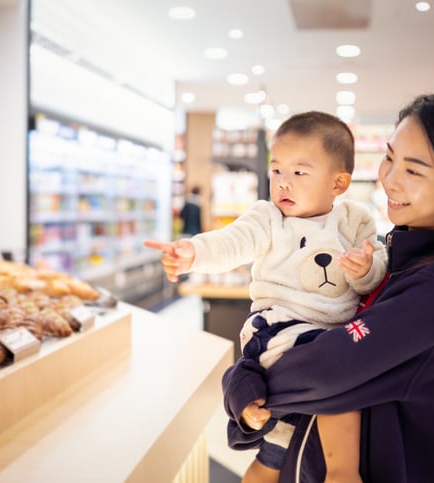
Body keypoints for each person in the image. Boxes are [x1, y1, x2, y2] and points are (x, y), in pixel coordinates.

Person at [221, 90, 434, 482]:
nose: (389, 179)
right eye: (389, 157)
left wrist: (244, 376)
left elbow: (323, 370)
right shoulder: (404, 259)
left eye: (413, 171)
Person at [146, 111, 388, 483]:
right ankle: (343, 472)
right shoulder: (268, 218)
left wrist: (364, 270)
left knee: (276, 451)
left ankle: (274, 462)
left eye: (299, 172)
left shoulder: (355, 220)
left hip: (327, 334)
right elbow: (232, 241)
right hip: (275, 328)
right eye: (277, 171)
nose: (283, 184)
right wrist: (194, 252)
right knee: (341, 371)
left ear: (338, 182)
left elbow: (376, 270)